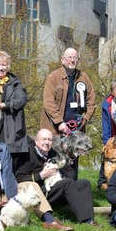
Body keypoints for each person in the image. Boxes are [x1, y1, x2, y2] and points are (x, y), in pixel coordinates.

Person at [14, 128, 98, 231]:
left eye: (49, 140)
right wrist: (41, 175)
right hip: (40, 193)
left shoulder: (53, 153)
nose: (47, 142)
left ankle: (89, 220)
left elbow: (71, 176)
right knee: (67, 183)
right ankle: (82, 219)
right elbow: (20, 177)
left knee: (84, 183)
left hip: (56, 189)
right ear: (36, 141)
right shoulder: (28, 154)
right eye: (44, 139)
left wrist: (72, 160)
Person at [40, 47, 96, 180]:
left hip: (76, 130)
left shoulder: (84, 77)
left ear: (78, 60)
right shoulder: (53, 77)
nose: (72, 60)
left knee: (72, 164)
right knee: (55, 162)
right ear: (62, 60)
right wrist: (59, 122)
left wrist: (85, 119)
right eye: (69, 57)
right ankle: (54, 194)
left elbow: (91, 101)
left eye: (75, 58)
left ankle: (71, 194)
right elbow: (48, 102)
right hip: (55, 129)